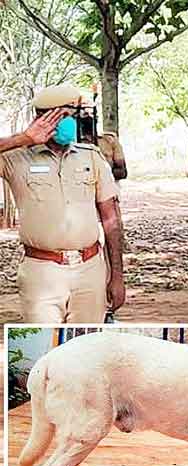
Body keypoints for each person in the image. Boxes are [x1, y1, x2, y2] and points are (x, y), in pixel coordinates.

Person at [0, 84, 125, 322]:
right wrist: (24, 139)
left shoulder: (91, 156)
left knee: (85, 347)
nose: (70, 123)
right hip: (41, 271)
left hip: (90, 270)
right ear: (42, 118)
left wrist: (117, 276)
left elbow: (111, 219)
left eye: (71, 116)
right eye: (63, 116)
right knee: (44, 346)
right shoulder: (15, 158)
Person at [0, 110, 65, 154]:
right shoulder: (15, 154)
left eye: (74, 115)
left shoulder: (75, 156)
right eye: (63, 115)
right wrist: (22, 139)